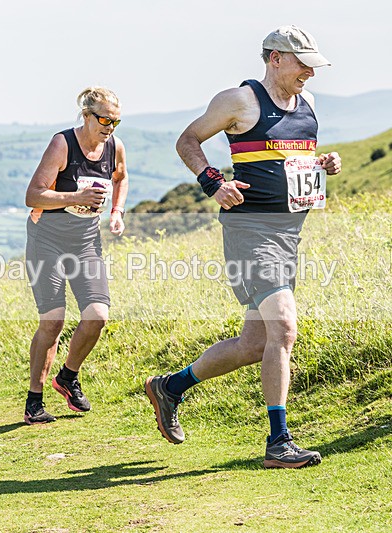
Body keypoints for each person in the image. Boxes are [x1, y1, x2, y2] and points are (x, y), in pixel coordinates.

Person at [145, 26, 342, 468]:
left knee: (255, 343)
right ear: (275, 58)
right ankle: (279, 443)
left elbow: (289, 159)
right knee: (285, 328)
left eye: (314, 64)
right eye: (302, 63)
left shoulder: (309, 104)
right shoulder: (240, 101)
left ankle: (170, 387)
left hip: (290, 235)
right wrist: (213, 182)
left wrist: (322, 163)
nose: (310, 72)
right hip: (250, 232)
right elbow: (187, 140)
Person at [23, 87, 129, 424]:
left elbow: (121, 177)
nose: (110, 126)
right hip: (47, 240)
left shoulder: (114, 146)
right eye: (104, 119)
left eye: (115, 121)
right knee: (52, 320)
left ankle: (67, 376)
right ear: (85, 115)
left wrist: (117, 211)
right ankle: (34, 401)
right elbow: (33, 195)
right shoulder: (62, 144)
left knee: (98, 315)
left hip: (85, 242)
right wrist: (75, 196)